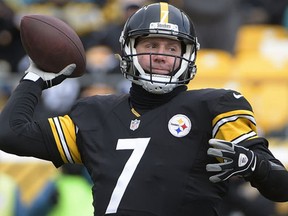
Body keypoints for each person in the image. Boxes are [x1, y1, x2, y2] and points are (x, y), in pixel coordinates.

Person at [0, 2, 287, 216]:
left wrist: (255, 165)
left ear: (187, 56)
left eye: (172, 48)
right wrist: (33, 79)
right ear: (128, 51)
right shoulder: (94, 113)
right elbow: (11, 134)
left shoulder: (216, 106)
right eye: (151, 45)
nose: (161, 55)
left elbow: (281, 187)